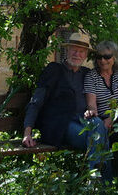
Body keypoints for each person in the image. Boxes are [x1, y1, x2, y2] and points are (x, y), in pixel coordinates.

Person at [22, 31, 111, 178]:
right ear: (67, 50)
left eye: (81, 51)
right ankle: (101, 187)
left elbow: (105, 92)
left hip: (84, 121)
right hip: (61, 125)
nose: (77, 54)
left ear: (86, 55)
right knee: (99, 139)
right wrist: (27, 132)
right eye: (74, 50)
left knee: (98, 126)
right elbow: (36, 102)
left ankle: (96, 184)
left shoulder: (86, 74)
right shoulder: (53, 70)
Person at [84, 40, 118, 186]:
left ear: (115, 58)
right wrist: (100, 120)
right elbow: (91, 104)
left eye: (107, 56)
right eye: (99, 57)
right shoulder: (91, 76)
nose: (103, 60)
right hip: (103, 122)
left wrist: (111, 119)